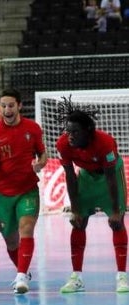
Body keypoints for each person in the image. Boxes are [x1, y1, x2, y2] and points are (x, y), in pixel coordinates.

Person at [55, 97, 128, 293]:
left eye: (75, 132)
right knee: (78, 222)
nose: (69, 136)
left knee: (117, 223)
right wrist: (76, 209)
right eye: (68, 131)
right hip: (86, 177)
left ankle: (122, 276)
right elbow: (70, 177)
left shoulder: (104, 143)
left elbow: (112, 177)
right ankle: (76, 277)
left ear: (88, 131)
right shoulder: (63, 144)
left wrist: (115, 210)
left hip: (108, 178)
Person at [0, 89, 47, 294]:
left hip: (27, 189)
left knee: (26, 229)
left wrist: (40, 164)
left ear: (19, 106)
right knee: (10, 239)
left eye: (10, 105)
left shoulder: (32, 128)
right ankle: (22, 270)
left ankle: (21, 277)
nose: (7, 109)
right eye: (3, 106)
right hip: (3, 193)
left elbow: (43, 154)